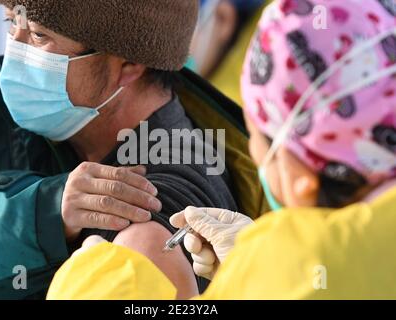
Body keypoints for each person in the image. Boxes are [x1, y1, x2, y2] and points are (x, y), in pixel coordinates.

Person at [46, 0, 396, 300]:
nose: (253, 155)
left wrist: (92, 278)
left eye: (257, 137)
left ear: (302, 180)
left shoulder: (290, 272)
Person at [0, 0, 241, 299]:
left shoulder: (168, 195)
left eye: (38, 36)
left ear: (129, 62)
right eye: (11, 22)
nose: (13, 55)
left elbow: (148, 258)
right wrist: (41, 213)